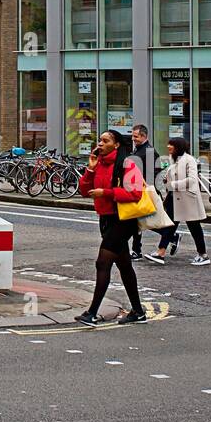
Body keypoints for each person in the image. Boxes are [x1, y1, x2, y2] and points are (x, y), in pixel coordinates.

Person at [75, 128, 147, 326]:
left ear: (116, 144)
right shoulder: (99, 163)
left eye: (105, 141)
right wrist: (90, 169)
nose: (100, 143)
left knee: (102, 263)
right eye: (99, 140)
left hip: (123, 220)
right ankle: (138, 312)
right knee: (124, 266)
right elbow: (83, 191)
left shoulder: (128, 163)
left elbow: (135, 193)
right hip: (106, 218)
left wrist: (106, 193)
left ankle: (91, 313)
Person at [147, 137, 210, 266]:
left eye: (171, 145)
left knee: (194, 227)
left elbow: (192, 180)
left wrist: (172, 184)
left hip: (187, 198)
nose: (168, 146)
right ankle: (161, 252)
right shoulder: (173, 158)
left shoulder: (189, 160)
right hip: (174, 198)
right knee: (169, 225)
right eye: (168, 144)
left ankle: (203, 255)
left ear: (178, 147)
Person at [129, 123, 156, 261]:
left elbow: (151, 174)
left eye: (136, 136)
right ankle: (171, 235)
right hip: (136, 189)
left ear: (144, 136)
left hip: (143, 190)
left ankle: (136, 250)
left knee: (138, 221)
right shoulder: (138, 149)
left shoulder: (148, 151)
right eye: (133, 136)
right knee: (139, 221)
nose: (133, 139)